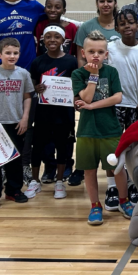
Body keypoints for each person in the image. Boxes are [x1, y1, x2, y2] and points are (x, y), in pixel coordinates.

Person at [71, 30, 134, 225]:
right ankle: (95, 205)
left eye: (100, 52)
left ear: (106, 54)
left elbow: (117, 97)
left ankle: (124, 201)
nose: (96, 55)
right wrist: (93, 76)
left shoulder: (112, 72)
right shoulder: (77, 74)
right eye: (91, 51)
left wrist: (91, 107)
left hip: (111, 129)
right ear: (83, 53)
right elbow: (87, 97)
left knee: (117, 169)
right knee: (89, 170)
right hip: (86, 131)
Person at [104, 8, 138, 207]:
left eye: (130, 22)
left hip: (136, 108)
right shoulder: (110, 48)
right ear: (117, 28)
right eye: (122, 23)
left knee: (134, 149)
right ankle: (112, 186)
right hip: (114, 106)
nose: (127, 26)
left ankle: (133, 184)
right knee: (112, 148)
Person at [0, 38, 34, 208]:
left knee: (15, 160)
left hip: (17, 123)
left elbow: (27, 97)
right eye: (8, 53)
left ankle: (13, 190)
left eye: (15, 53)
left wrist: (25, 118)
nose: (12, 56)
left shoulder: (24, 74)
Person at [28, 25, 78, 199]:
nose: (52, 40)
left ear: (63, 40)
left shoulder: (72, 61)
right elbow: (32, 85)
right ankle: (35, 181)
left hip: (64, 112)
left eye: (56, 37)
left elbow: (76, 84)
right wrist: (36, 88)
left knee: (62, 147)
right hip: (43, 111)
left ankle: (59, 182)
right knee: (38, 146)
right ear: (43, 39)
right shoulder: (37, 62)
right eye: (48, 36)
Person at [75, 0, 121, 67]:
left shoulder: (122, 27)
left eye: (109, 1)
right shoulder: (85, 27)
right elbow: (81, 59)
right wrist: (83, 73)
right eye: (102, 1)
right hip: (93, 72)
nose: (105, 4)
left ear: (115, 3)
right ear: (97, 3)